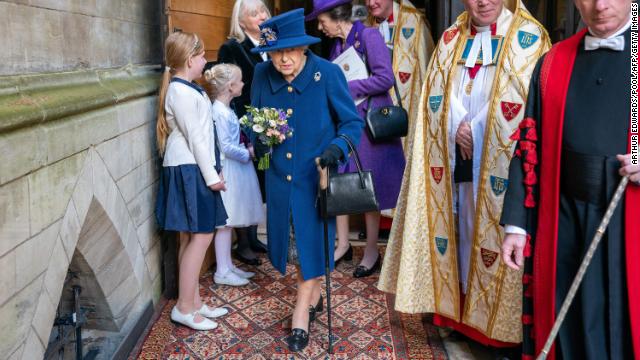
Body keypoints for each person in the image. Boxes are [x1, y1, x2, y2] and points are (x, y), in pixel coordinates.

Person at [377, 0, 550, 347]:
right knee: (458, 230)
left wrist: (479, 126)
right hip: (455, 155)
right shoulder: (450, 38)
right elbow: (433, 96)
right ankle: (454, 314)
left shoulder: (530, 38)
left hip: (499, 163)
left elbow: (531, 103)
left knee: (490, 232)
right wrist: (457, 126)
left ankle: (494, 331)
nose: (482, 2)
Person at [500, 0, 640, 358]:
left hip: (629, 220)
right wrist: (516, 224)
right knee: (568, 329)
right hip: (562, 221)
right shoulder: (554, 61)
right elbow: (528, 145)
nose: (600, 5)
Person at [249, 9, 363, 352]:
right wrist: (263, 143)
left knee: (312, 246)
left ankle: (301, 313)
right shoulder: (259, 74)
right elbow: (253, 122)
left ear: (303, 48)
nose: (283, 59)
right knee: (294, 249)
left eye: (290, 50)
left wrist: (335, 150)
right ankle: (314, 296)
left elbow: (351, 124)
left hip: (316, 180)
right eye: (276, 52)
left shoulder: (327, 74)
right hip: (280, 183)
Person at [306, 0, 405, 277]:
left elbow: (385, 78)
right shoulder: (336, 45)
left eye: (321, 19)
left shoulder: (369, 36)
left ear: (336, 16)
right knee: (340, 181)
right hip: (345, 125)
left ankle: (372, 249)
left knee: (367, 186)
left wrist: (346, 87)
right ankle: (344, 244)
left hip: (368, 126)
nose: (319, 26)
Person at [155, 31, 229, 330]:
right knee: (200, 236)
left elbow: (204, 135)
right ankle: (184, 308)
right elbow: (196, 139)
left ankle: (194, 301)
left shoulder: (188, 88)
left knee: (192, 236)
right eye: (201, 56)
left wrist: (215, 167)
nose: (204, 60)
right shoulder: (181, 92)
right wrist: (212, 177)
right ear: (189, 59)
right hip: (189, 168)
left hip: (194, 166)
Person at [215, 0, 272, 265]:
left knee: (261, 179)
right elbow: (230, 89)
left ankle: (253, 235)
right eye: (254, 13)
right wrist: (242, 124)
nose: (261, 16)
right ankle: (243, 243)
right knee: (248, 177)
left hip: (269, 121)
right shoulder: (232, 47)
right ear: (241, 21)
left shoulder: (272, 43)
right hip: (246, 122)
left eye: (263, 11)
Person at [205, 63, 265, 286]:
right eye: (240, 81)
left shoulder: (226, 109)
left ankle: (228, 265)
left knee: (229, 222)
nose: (243, 84)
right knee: (226, 222)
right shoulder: (219, 112)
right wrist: (249, 153)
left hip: (237, 168)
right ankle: (222, 270)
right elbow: (226, 146)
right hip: (229, 169)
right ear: (230, 86)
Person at [365, 0, 435, 149]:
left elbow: (429, 76)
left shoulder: (415, 22)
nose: (371, 3)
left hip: (405, 115)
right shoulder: (365, 25)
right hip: (373, 115)